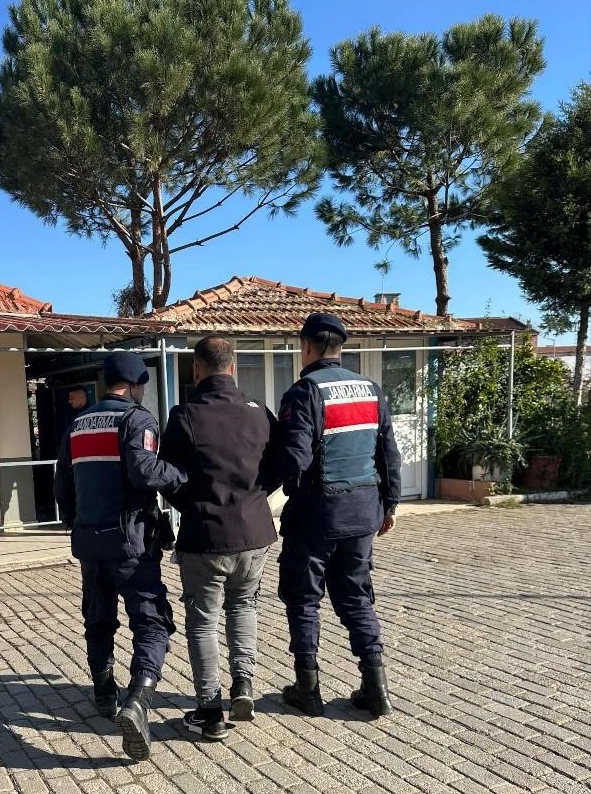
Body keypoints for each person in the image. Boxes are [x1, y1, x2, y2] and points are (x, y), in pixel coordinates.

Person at [54, 352, 186, 761]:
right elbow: (145, 471)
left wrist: (76, 523)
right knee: (151, 622)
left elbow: (62, 484)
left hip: (89, 542)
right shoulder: (136, 419)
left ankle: (103, 692)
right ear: (133, 385)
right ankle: (138, 700)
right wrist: (181, 476)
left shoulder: (78, 423)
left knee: (98, 617)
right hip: (131, 543)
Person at [275, 313, 401, 718]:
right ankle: (376, 688)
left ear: (306, 346)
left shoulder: (304, 392)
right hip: (364, 512)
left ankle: (307, 689)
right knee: (356, 597)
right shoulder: (371, 389)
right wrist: (390, 505)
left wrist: (261, 489)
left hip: (316, 516)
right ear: (340, 348)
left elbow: (295, 456)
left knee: (304, 599)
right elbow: (388, 453)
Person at [159, 337, 280, 741]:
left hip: (205, 535)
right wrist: (255, 497)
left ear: (196, 370)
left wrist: (191, 504)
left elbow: (167, 476)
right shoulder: (260, 412)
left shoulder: (184, 416)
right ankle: (243, 685)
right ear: (233, 367)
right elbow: (281, 462)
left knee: (203, 622)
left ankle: (210, 711)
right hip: (254, 533)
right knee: (244, 606)